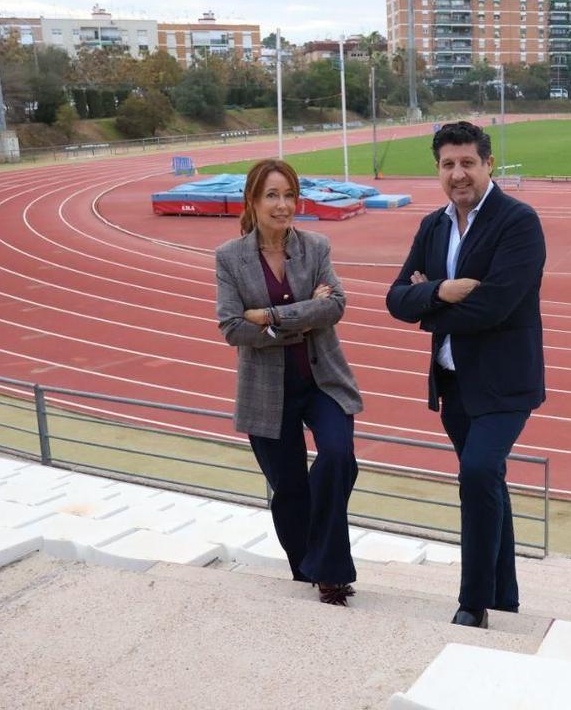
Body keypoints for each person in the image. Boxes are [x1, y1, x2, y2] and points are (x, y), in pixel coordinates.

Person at [386, 121, 546, 628]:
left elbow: (495, 306)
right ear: (438, 169)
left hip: (504, 383)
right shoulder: (433, 225)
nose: (458, 174)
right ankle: (504, 596)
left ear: (488, 164)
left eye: (468, 163)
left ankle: (472, 604)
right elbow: (395, 298)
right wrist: (442, 290)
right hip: (453, 383)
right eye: (448, 164)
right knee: (487, 482)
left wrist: (427, 300)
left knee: (476, 473)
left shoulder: (518, 222)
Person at [215, 159, 363, 605]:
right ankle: (306, 570)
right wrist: (303, 316)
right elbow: (232, 328)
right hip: (266, 391)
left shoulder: (316, 246)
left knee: (338, 457)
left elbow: (335, 306)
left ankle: (331, 573)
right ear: (252, 200)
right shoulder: (230, 257)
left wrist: (270, 317)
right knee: (290, 489)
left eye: (289, 195)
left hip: (322, 381)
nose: (283, 205)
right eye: (272, 196)